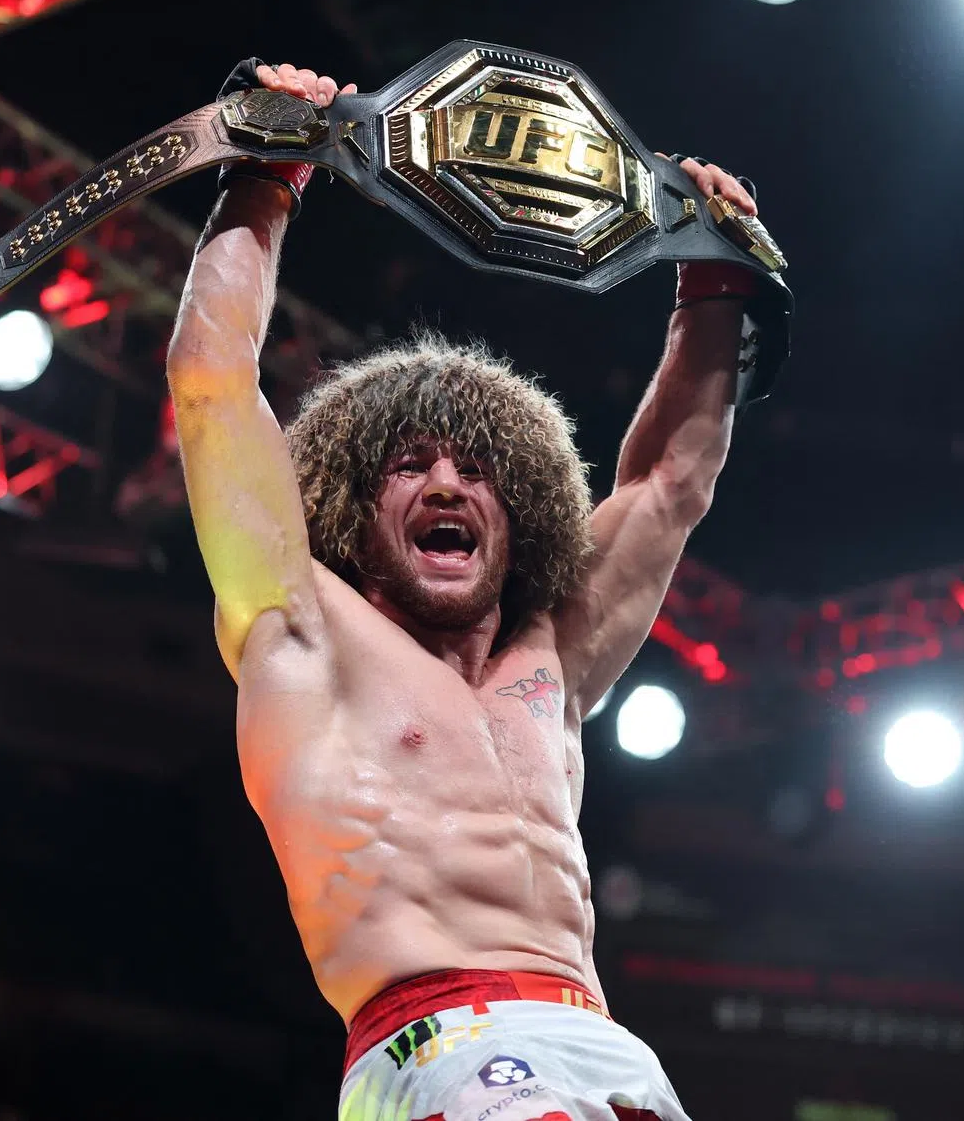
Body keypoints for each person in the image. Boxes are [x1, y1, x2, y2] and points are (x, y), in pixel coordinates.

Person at [167, 60, 764, 1121]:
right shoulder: (303, 628)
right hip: (436, 1042)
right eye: (410, 466)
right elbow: (213, 384)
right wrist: (266, 174)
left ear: (520, 507)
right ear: (354, 509)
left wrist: (715, 278)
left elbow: (670, 484)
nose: (447, 484)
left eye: (478, 469)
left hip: (606, 1046)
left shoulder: (553, 659)